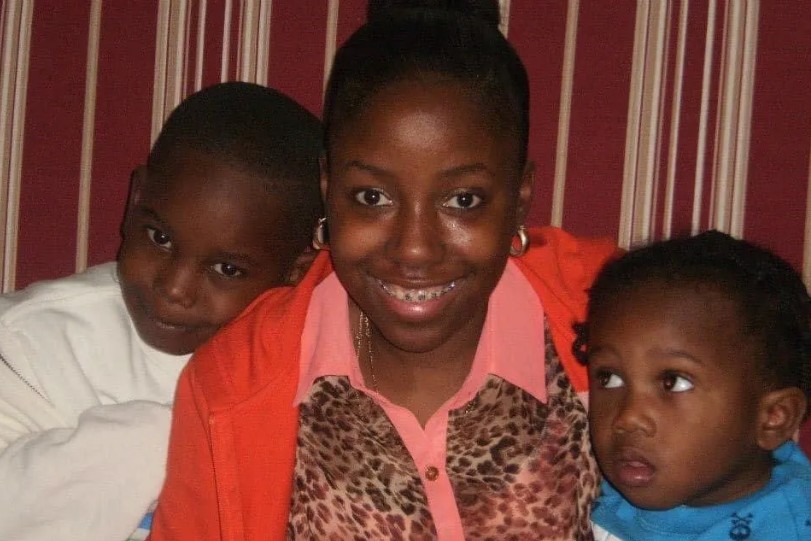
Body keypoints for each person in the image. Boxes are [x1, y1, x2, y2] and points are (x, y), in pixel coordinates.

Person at [149, 2, 618, 540]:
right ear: (328, 188)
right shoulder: (234, 385)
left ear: (519, 197)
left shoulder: (615, 313)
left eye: (463, 200)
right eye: (372, 197)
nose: (414, 249)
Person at [0, 81, 323, 541]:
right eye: (160, 238)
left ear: (294, 272)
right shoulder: (28, 342)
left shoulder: (297, 360)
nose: (174, 289)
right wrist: (165, 435)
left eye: (226, 269)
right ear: (136, 200)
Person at [573, 230, 811, 540]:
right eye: (609, 378)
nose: (628, 418)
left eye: (673, 382)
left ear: (772, 418)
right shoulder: (585, 484)